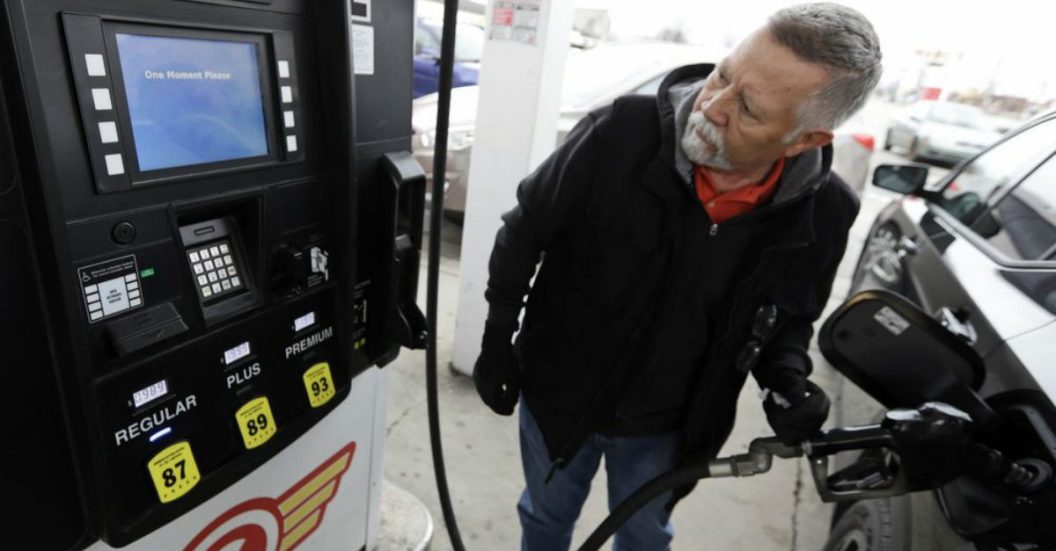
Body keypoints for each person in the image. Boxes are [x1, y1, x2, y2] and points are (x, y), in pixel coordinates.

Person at [472, 3, 882, 550]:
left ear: (805, 139)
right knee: (545, 519)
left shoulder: (824, 210)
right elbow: (525, 231)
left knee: (645, 534)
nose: (711, 106)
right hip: (559, 390)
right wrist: (499, 333)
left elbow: (788, 317)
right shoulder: (618, 132)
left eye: (749, 110)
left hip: (671, 427)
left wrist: (786, 380)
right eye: (723, 74)